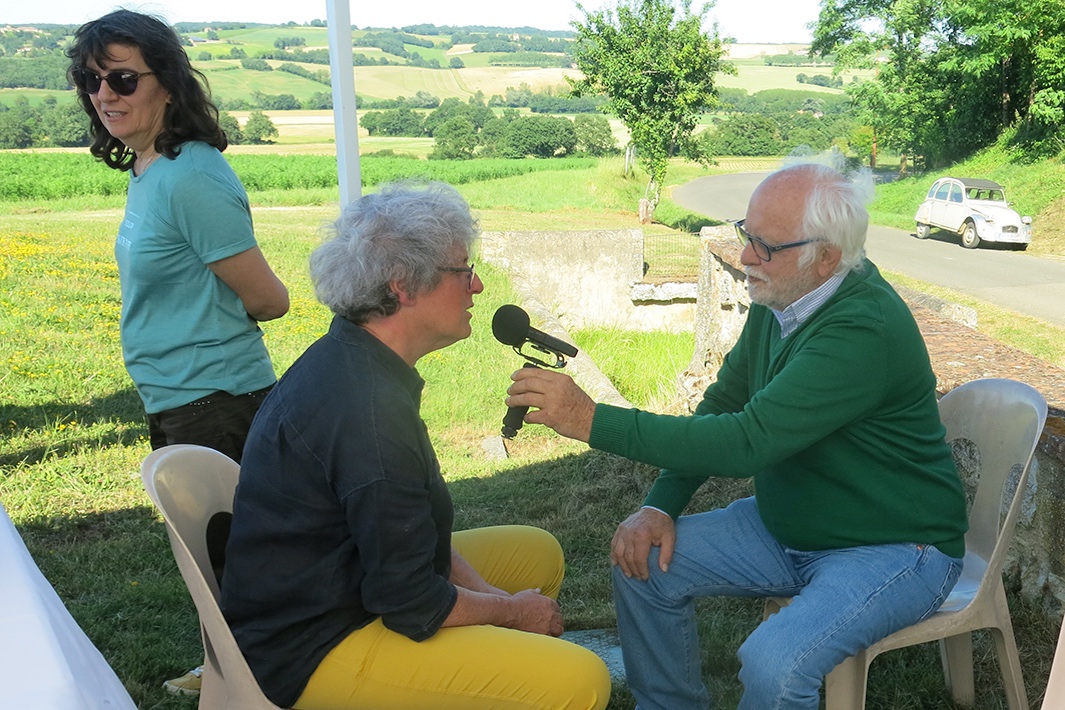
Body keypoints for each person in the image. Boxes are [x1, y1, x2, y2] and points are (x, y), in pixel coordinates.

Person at [505, 162, 968, 710]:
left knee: (774, 663)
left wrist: (591, 420)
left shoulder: (862, 330)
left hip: (894, 546)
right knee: (641, 560)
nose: (746, 257)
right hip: (789, 525)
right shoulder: (784, 298)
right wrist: (659, 507)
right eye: (746, 235)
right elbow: (723, 404)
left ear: (826, 257)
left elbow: (746, 442)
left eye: (766, 247)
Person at [220, 182, 611, 710]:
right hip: (316, 644)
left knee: (535, 553)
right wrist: (515, 614)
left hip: (350, 586)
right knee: (581, 682)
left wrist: (501, 601)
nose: (476, 286)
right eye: (461, 269)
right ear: (403, 285)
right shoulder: (368, 412)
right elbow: (409, 602)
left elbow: (408, 533)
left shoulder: (359, 360)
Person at [66, 10, 289, 696]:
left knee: (234, 558)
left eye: (123, 77)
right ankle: (228, 668)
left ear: (166, 82)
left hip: (220, 396)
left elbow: (268, 298)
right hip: (179, 395)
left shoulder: (192, 175)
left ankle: (261, 680)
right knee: (206, 556)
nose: (106, 93)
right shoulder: (149, 168)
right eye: (92, 79)